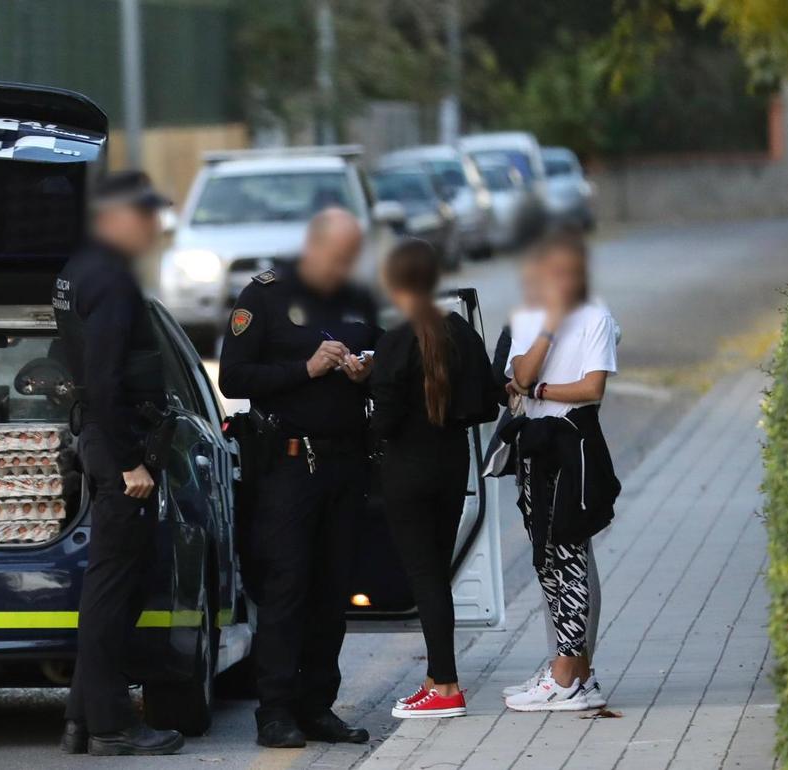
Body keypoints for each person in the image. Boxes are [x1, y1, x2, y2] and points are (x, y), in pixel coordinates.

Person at [218, 207, 379, 748]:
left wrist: (366, 370)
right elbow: (235, 376)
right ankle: (276, 711)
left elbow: (384, 354)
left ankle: (318, 706)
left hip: (344, 464)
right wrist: (304, 369)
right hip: (289, 463)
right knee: (288, 587)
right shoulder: (263, 296)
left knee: (333, 589)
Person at [52, 170, 184, 756]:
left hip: (100, 439)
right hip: (117, 447)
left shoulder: (77, 268)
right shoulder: (110, 279)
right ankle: (112, 725)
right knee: (114, 590)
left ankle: (83, 719)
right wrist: (132, 461)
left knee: (113, 586)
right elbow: (103, 378)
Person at [371, 240, 499, 719]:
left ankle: (445, 688)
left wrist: (370, 379)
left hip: (407, 469)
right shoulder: (460, 333)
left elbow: (382, 422)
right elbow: (487, 403)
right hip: (451, 464)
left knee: (424, 580)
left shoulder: (395, 341)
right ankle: (434, 679)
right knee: (437, 577)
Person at [501, 230, 621, 712]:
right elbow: (519, 378)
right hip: (535, 447)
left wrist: (541, 391)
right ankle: (575, 673)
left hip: (573, 446)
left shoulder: (596, 315)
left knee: (569, 557)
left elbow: (592, 389)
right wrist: (549, 326)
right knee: (545, 559)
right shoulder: (531, 316)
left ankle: (567, 675)